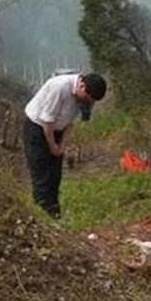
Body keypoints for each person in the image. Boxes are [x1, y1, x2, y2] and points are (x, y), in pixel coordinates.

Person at [23, 72, 107, 218]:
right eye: (88, 98)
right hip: (38, 129)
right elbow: (47, 121)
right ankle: (42, 218)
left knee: (54, 177)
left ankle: (55, 215)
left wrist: (62, 145)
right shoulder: (60, 87)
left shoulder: (84, 97)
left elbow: (70, 123)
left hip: (57, 131)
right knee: (42, 177)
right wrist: (52, 146)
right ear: (81, 85)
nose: (88, 102)